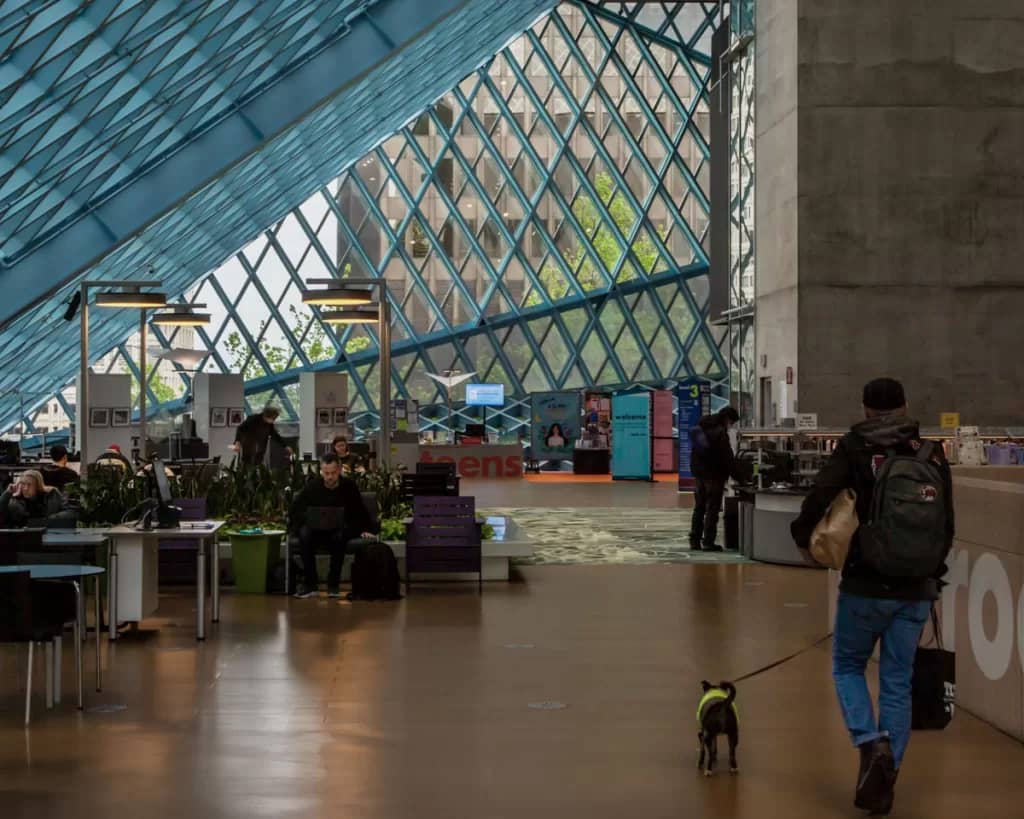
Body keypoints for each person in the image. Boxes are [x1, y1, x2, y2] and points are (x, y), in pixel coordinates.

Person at [790, 378, 954, 815]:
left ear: (865, 408)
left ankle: (868, 744)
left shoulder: (854, 447)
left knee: (848, 666)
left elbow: (821, 495)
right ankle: (887, 773)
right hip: (916, 588)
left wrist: (802, 536)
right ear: (905, 405)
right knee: (897, 682)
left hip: (865, 582)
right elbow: (947, 523)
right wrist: (931, 573)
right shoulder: (930, 451)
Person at [288, 453, 376, 599]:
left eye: (333, 473)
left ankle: (333, 584)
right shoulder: (313, 486)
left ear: (340, 470)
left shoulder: (349, 487)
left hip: (339, 530)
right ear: (321, 471)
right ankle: (311, 584)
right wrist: (304, 522)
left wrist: (366, 529)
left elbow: (359, 511)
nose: (329, 477)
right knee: (304, 534)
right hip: (315, 530)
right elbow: (296, 509)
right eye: (326, 473)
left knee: (340, 536)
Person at [688, 406, 742, 552]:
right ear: (727, 419)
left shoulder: (702, 425)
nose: (731, 426)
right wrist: (739, 477)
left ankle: (694, 540)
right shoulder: (720, 433)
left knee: (699, 507)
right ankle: (708, 542)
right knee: (712, 509)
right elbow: (728, 458)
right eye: (732, 423)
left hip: (699, 474)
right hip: (714, 476)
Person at [0, 469, 75, 527]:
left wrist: (48, 520)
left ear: (38, 486)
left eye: (29, 485)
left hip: (50, 535)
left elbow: (71, 513)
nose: (25, 488)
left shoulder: (52, 494)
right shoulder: (15, 501)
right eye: (23, 484)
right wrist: (7, 493)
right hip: (24, 539)